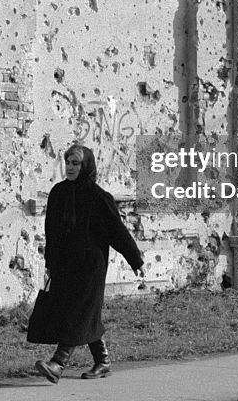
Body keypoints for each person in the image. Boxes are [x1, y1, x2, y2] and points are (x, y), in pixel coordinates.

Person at [30, 144, 144, 383]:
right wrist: (50, 261)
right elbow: (50, 231)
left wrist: (135, 259)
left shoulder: (99, 197)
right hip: (64, 265)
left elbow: (117, 231)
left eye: (76, 163)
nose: (70, 167)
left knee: (77, 311)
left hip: (90, 266)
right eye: (68, 162)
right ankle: (102, 362)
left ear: (86, 166)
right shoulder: (58, 193)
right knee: (84, 313)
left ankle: (58, 363)